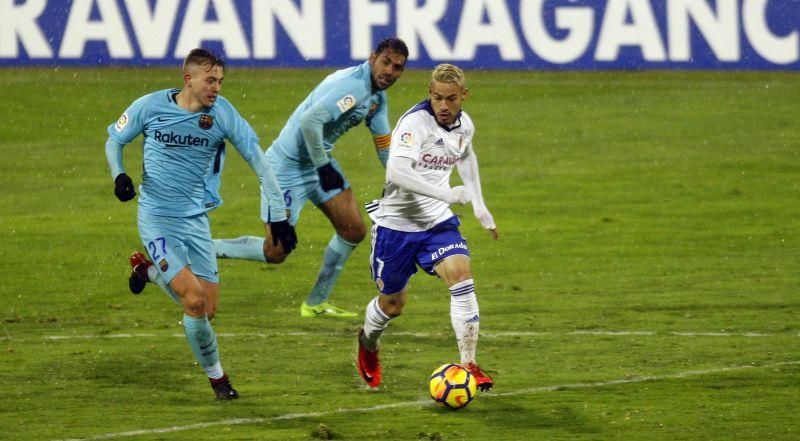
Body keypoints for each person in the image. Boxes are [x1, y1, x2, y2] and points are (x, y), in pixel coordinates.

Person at [105, 48, 297, 399]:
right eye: (210, 80)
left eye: (221, 81)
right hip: (157, 218)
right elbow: (114, 140)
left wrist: (279, 216)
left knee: (208, 309)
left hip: (195, 221)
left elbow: (260, 162)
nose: (217, 88)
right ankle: (219, 381)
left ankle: (146, 271)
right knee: (193, 302)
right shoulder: (149, 107)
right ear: (188, 79)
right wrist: (119, 175)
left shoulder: (223, 115)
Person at [212, 38, 409, 318]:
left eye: (397, 67)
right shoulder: (353, 86)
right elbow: (309, 121)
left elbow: (384, 145)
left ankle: (316, 303)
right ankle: (209, 248)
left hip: (319, 163)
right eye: (385, 62)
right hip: (285, 168)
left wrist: (402, 182)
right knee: (276, 251)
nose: (389, 71)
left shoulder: (377, 98)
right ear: (372, 57)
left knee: (353, 230)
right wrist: (322, 166)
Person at [356, 64, 497, 390]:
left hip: (436, 221)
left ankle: (470, 365)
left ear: (464, 96)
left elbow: (465, 155)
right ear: (429, 94)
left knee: (461, 275)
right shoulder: (414, 124)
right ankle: (368, 341)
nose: (443, 106)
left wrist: (479, 204)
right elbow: (396, 174)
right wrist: (446, 193)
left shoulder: (465, 126)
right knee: (393, 304)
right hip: (396, 225)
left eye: (450, 99)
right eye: (436, 98)